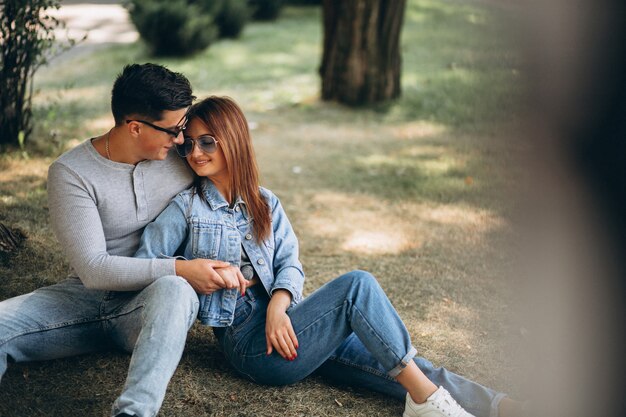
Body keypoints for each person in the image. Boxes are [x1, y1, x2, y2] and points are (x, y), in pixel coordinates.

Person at [135, 96, 523, 417]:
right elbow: (145, 266)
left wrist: (278, 307)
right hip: (250, 348)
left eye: (208, 142)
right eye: (189, 144)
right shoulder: (185, 209)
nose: (195, 152)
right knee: (357, 286)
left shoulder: (265, 202)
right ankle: (427, 404)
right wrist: (190, 271)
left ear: (232, 140)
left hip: (289, 325)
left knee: (390, 357)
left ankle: (498, 406)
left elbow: (290, 263)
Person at [0, 63, 242, 417]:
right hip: (80, 299)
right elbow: (94, 270)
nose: (181, 141)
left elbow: (234, 188)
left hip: (150, 305)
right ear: (134, 127)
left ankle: (133, 413)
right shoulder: (71, 173)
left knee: (176, 289)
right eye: (174, 131)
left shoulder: (183, 159)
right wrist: (181, 267)